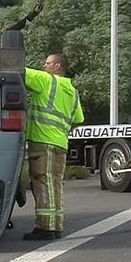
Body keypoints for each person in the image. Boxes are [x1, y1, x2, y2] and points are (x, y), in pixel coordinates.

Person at [22, 52, 84, 240]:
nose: (44, 65)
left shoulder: (47, 81)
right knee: (55, 184)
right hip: (60, 143)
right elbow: (78, 119)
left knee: (43, 182)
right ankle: (55, 225)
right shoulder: (72, 91)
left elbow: (17, 69)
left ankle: (46, 228)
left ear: (57, 66)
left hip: (42, 141)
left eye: (47, 63)